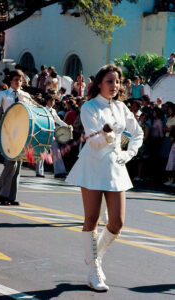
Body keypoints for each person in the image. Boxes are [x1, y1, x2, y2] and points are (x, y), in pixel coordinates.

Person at [66, 64, 143, 291]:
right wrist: (108, 136)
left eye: (117, 82)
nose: (115, 85)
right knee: (91, 219)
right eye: (110, 81)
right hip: (93, 165)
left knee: (117, 223)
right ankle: (93, 272)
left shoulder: (121, 108)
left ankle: (94, 257)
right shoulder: (89, 107)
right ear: (99, 83)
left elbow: (134, 132)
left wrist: (127, 151)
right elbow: (94, 142)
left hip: (116, 167)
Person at [0, 69, 33, 205]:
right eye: (15, 80)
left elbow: (31, 113)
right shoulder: (4, 94)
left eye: (20, 80)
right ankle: (3, 193)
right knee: (10, 164)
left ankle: (11, 197)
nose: (18, 82)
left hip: (22, 132)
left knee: (18, 164)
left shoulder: (25, 95)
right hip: (7, 132)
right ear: (10, 81)